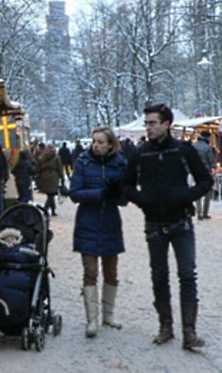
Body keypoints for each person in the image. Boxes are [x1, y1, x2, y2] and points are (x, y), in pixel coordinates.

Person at [122, 103, 213, 350]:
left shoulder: (184, 151)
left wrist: (186, 196)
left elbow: (206, 180)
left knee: (187, 275)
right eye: (146, 123)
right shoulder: (140, 153)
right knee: (159, 275)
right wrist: (143, 201)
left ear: (166, 124)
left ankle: (189, 331)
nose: (148, 127)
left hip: (181, 222)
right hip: (154, 224)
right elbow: (126, 186)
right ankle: (165, 326)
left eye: (153, 122)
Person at [69, 126, 128, 338]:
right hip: (88, 223)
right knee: (90, 271)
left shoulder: (121, 163)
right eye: (94, 141)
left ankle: (108, 315)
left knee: (111, 271)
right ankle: (92, 318)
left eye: (100, 142)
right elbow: (75, 193)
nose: (95, 145)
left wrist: (118, 194)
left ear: (110, 144)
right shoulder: (83, 162)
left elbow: (125, 199)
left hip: (110, 223)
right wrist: (101, 193)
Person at [192, 131, 216, 219]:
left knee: (198, 191)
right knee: (207, 193)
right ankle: (205, 212)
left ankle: (199, 212)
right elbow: (212, 161)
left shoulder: (193, 146)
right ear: (208, 137)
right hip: (206, 171)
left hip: (195, 171)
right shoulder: (208, 148)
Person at [36, 144, 63, 216]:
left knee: (50, 194)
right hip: (53, 176)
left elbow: (37, 168)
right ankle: (46, 208)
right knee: (51, 195)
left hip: (44, 176)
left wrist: (38, 177)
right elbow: (59, 168)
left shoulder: (41, 157)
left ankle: (53, 210)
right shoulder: (56, 157)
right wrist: (62, 177)